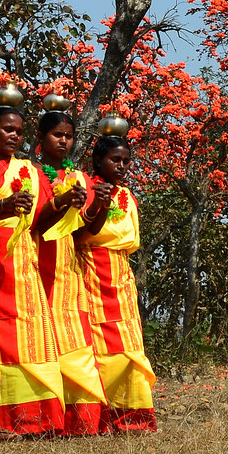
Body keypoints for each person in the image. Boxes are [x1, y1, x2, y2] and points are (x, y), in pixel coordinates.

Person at [0, 106, 65, 436]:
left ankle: (37, 420)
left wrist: (61, 204)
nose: (14, 135)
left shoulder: (28, 169)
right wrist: (1, 207)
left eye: (18, 130)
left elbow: (41, 221)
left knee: (30, 337)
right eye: (6, 129)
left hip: (23, 259)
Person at [32, 111, 107, 435]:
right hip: (35, 266)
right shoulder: (30, 172)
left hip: (68, 270)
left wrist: (99, 207)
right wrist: (60, 202)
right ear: (41, 138)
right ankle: (43, 419)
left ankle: (83, 421)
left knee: (76, 344)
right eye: (57, 135)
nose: (64, 141)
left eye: (69, 136)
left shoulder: (80, 178)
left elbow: (82, 234)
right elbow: (34, 225)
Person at [78, 136, 158, 433]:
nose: (122, 166)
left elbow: (131, 240)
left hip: (120, 273)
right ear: (98, 161)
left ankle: (132, 414)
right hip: (89, 269)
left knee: (128, 343)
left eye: (126, 161)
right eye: (115, 160)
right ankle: (97, 415)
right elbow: (81, 231)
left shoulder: (127, 195)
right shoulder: (86, 187)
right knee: (97, 343)